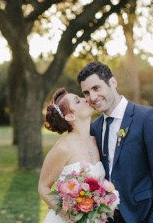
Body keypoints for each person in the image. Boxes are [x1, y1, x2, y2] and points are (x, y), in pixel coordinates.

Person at [77, 61, 153, 223]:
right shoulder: (94, 128)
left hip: (142, 215)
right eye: (86, 93)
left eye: (96, 88)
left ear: (113, 83)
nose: (92, 97)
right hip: (106, 218)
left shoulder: (147, 118)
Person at [38, 88, 104, 223]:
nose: (86, 99)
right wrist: (65, 213)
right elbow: (43, 187)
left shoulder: (96, 141)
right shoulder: (63, 147)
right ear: (70, 116)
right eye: (78, 101)